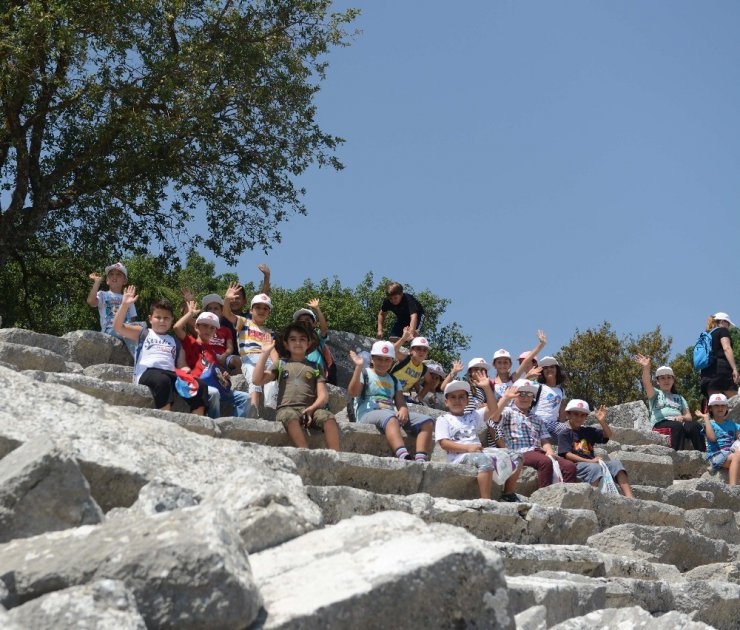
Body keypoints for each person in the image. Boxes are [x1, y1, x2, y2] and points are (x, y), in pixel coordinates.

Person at [112, 286, 207, 414]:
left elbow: (182, 366)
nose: (162, 321)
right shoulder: (142, 333)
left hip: (171, 374)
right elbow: (118, 327)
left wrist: (187, 372)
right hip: (148, 372)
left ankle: (198, 422)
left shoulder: (175, 341)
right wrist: (124, 305)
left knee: (200, 385)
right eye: (158, 317)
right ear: (150, 318)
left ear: (172, 319)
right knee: (163, 380)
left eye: (166, 318)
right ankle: (165, 416)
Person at [252, 324, 341, 451]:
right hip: (286, 408)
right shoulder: (281, 364)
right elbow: (257, 380)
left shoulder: (316, 367)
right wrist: (265, 353)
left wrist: (312, 408)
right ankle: (304, 451)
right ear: (286, 344)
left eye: (302, 339)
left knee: (329, 418)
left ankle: (336, 455)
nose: (298, 342)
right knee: (290, 417)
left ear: (309, 343)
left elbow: (323, 395)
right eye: (293, 339)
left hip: (311, 409)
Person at [436, 379, 523, 502]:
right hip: (459, 457)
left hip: (479, 451)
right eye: (453, 397)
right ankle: (486, 500)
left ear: (467, 401)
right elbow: (444, 443)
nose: (457, 400)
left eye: (461, 397)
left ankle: (508, 493)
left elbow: (493, 409)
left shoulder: (473, 416)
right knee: (485, 460)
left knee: (517, 456)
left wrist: (487, 388)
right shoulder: (443, 419)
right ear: (446, 402)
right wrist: (468, 448)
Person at [348, 341, 434, 462]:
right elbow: (353, 393)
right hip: (367, 413)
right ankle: (403, 455)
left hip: (389, 413)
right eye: (379, 359)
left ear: (392, 361)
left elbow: (399, 401)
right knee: (391, 418)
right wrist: (358, 368)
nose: (383, 363)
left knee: (427, 421)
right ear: (372, 359)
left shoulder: (393, 380)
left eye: (387, 360)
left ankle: (420, 457)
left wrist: (403, 409)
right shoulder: (365, 373)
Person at [490, 379, 578, 488]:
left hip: (538, 452)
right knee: (544, 462)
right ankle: (545, 496)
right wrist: (505, 398)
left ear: (533, 398)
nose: (526, 397)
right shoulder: (508, 412)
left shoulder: (537, 418)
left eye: (529, 394)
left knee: (569, 466)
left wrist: (550, 451)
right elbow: (494, 417)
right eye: (521, 394)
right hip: (519, 452)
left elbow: (544, 439)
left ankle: (565, 498)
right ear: (514, 396)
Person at [173, 303, 249, 418]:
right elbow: (177, 328)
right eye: (204, 326)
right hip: (195, 386)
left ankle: (230, 426)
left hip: (216, 387)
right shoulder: (191, 342)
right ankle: (215, 423)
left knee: (247, 398)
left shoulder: (213, 353)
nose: (208, 330)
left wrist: (224, 376)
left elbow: (215, 373)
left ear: (215, 332)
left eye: (212, 327)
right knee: (214, 393)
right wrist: (190, 313)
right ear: (196, 327)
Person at [558, 400, 634, 497]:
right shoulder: (564, 433)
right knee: (595, 468)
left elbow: (608, 435)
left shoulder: (588, 431)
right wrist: (590, 461)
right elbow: (567, 455)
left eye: (583, 415)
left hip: (592, 463)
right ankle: (594, 498)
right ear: (568, 415)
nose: (579, 418)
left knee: (616, 464)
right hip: (577, 465)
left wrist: (602, 421)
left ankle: (630, 498)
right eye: (576, 414)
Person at [222, 282, 278, 417]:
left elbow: (273, 351)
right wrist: (227, 299)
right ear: (251, 310)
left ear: (269, 313)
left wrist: (278, 365)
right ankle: (254, 407)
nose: (261, 310)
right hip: (249, 357)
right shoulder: (244, 322)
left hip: (266, 358)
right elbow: (227, 313)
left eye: (265, 309)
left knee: (273, 378)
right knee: (254, 378)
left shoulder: (268, 332)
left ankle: (271, 407)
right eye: (257, 307)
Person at [636, 354, 705, 452]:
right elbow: (647, 383)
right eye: (662, 378)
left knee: (695, 426)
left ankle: (704, 456)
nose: (666, 380)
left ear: (673, 380)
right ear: (658, 381)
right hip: (661, 423)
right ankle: (677, 457)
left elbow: (688, 416)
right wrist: (646, 367)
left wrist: (682, 417)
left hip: (679, 422)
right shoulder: (655, 394)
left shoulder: (680, 398)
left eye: (669, 377)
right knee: (677, 427)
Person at [86, 262, 144, 358]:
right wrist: (97, 282)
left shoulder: (127, 297)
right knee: (128, 332)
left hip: (126, 326)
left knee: (143, 328)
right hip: (110, 328)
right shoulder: (103, 294)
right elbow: (91, 301)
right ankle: (140, 361)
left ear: (125, 281)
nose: (114, 276)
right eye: (111, 274)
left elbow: (133, 318)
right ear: (107, 280)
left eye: (118, 274)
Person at [220, 264, 271, 358]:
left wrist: (266, 277)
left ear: (245, 301)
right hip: (226, 358)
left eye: (238, 298)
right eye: (232, 297)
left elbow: (262, 300)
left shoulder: (249, 318)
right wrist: (227, 298)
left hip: (248, 357)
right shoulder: (221, 320)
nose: (234, 300)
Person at [696, 394, 740, 486]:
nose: (720, 408)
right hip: (716, 455)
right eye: (716, 405)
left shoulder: (733, 424)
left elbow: (738, 435)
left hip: (731, 453)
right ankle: (733, 488)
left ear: (727, 407)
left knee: (737, 455)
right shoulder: (710, 424)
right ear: (711, 408)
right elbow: (712, 438)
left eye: (723, 405)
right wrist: (706, 418)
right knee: (737, 456)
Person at [491, 330, 547, 400]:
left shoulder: (513, 379)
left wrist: (541, 344)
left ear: (510, 364)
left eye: (505, 362)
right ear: (494, 365)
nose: (502, 365)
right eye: (499, 362)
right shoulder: (490, 383)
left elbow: (527, 360)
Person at [293, 298, 336, 385]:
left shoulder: (316, 338)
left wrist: (317, 309)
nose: (304, 322)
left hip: (317, 376)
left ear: (314, 323)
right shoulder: (292, 339)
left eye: (308, 320)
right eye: (301, 321)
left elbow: (324, 329)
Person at [700, 313, 739, 400]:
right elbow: (726, 348)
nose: (728, 327)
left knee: (715, 404)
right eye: (728, 324)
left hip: (706, 373)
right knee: (736, 403)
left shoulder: (707, 335)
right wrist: (734, 369)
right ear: (722, 321)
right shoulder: (722, 331)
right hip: (722, 371)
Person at [390, 328, 433, 401]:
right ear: (411, 350)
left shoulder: (424, 369)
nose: (422, 352)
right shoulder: (406, 359)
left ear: (427, 354)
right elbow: (391, 351)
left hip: (400, 395)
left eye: (425, 350)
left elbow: (429, 382)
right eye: (418, 348)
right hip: (387, 389)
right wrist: (403, 339)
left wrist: (421, 396)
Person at [533, 356, 567, 435]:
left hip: (553, 424)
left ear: (557, 370)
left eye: (552, 367)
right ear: (542, 372)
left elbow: (562, 411)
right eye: (545, 368)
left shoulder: (561, 391)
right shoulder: (538, 386)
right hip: (537, 421)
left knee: (569, 430)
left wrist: (562, 425)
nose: (549, 369)